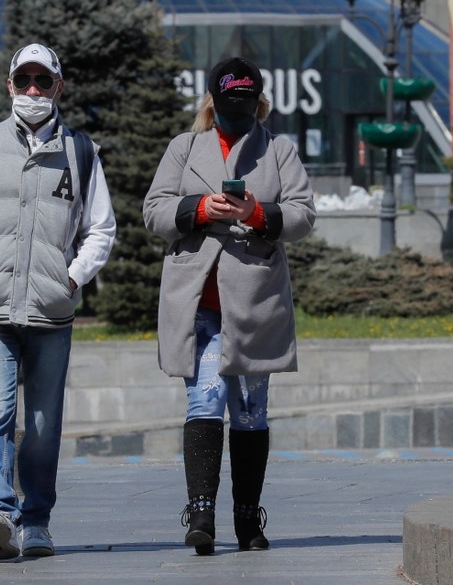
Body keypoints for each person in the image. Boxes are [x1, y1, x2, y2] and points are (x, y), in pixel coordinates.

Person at [0, 43, 116, 560]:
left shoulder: (80, 150)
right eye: (25, 80)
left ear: (58, 87)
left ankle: (36, 520)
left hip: (51, 311)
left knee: (40, 422)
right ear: (9, 85)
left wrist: (72, 277)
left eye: (43, 81)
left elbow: (100, 227)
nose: (33, 90)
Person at [142, 57, 316, 555]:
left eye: (244, 103)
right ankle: (200, 514)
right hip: (199, 300)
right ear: (211, 103)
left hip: (254, 299)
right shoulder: (185, 147)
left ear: (258, 104)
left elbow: (304, 214)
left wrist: (256, 213)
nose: (235, 112)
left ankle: (247, 517)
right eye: (225, 103)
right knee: (204, 402)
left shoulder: (278, 150)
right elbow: (154, 211)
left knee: (249, 411)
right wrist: (198, 208)